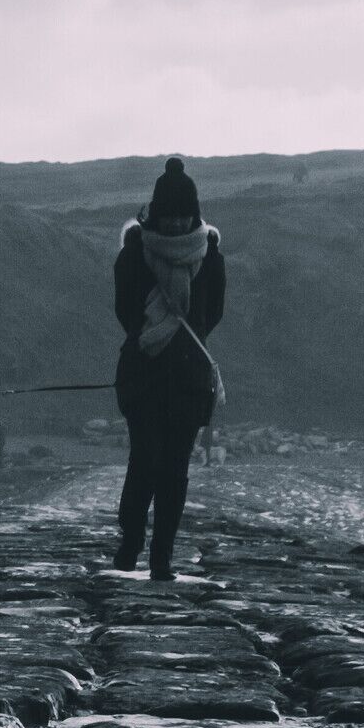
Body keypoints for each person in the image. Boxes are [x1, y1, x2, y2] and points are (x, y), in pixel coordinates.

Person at [111, 156, 226, 580]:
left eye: (183, 216)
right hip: (145, 377)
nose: (177, 224)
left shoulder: (209, 255)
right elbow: (126, 311)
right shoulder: (133, 255)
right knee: (145, 459)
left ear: (193, 214)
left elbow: (211, 314)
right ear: (155, 214)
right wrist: (158, 336)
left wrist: (169, 337)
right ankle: (132, 540)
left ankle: (161, 555)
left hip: (187, 381)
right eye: (169, 216)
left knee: (173, 467)